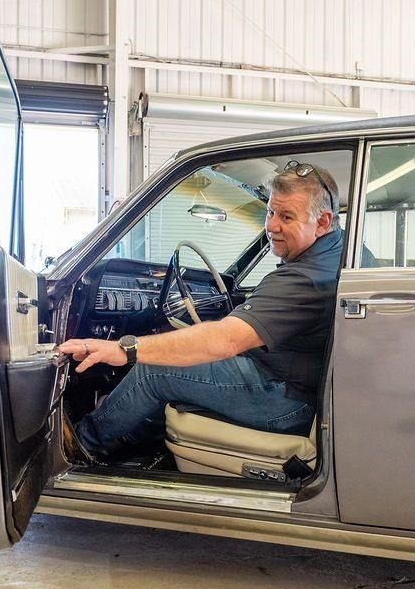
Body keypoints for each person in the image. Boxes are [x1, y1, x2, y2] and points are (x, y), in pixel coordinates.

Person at [58, 160, 344, 463]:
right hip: (295, 385)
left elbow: (225, 340)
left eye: (286, 216)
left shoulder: (305, 279)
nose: (272, 225)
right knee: (174, 349)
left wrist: (124, 348)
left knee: (153, 370)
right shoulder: (336, 250)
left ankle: (80, 446)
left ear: (323, 222)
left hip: (286, 400)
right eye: (271, 212)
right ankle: (132, 441)